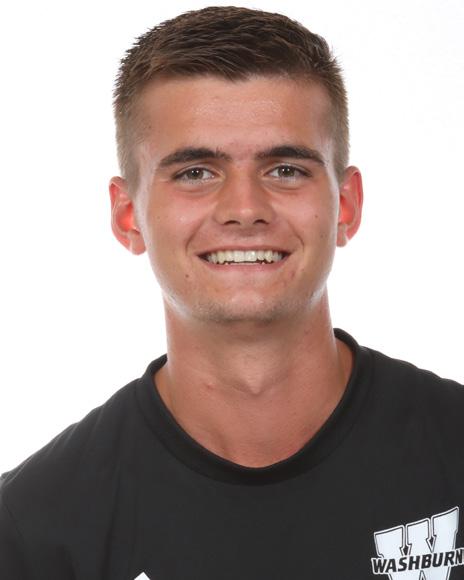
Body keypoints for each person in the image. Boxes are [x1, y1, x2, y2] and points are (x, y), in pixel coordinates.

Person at [1, 5, 463, 579]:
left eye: (285, 169)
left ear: (346, 204)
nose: (245, 209)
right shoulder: (33, 529)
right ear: (128, 216)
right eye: (195, 172)